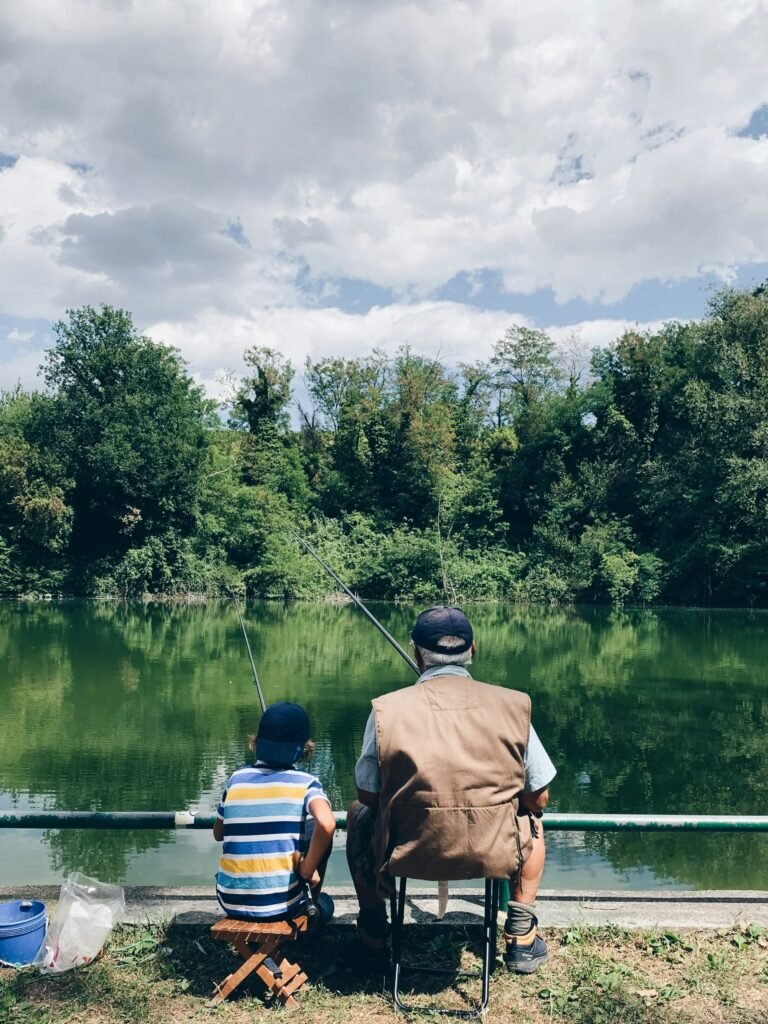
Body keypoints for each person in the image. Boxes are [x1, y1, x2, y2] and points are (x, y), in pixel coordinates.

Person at [346, 606, 556, 973]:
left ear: (415, 652)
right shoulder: (513, 706)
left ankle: (373, 933)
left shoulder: (385, 711)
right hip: (494, 851)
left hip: (406, 851)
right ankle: (522, 938)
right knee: (533, 823)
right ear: (474, 649)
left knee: (357, 815)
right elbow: (537, 797)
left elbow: (368, 797)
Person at [214, 701, 336, 923]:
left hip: (230, 901)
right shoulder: (307, 783)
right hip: (282, 907)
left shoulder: (236, 779)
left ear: (257, 742)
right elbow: (327, 824)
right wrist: (308, 869)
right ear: (304, 748)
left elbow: (218, 833)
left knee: (306, 830)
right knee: (327, 904)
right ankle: (311, 908)